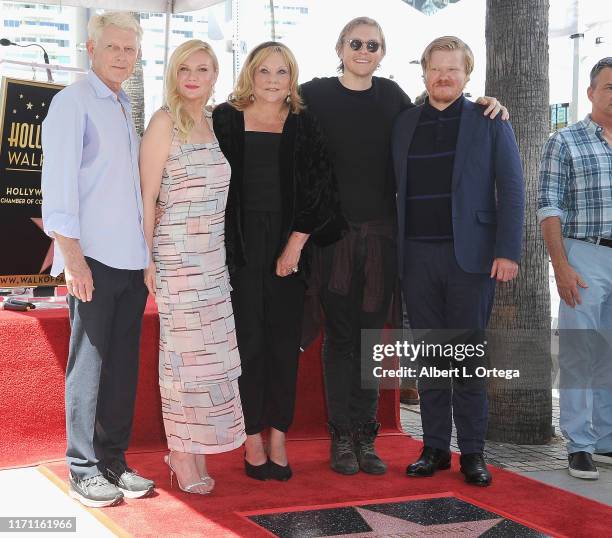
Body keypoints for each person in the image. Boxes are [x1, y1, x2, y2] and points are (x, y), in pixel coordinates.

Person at [299, 17, 507, 477]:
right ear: (340, 45)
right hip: (340, 242)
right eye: (355, 42)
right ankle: (350, 440)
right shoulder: (315, 95)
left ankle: (384, 440)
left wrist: (489, 103)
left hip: (390, 244)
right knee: (342, 341)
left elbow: (499, 178)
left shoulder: (396, 100)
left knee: (384, 344)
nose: (363, 50)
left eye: (373, 44)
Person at [393, 36, 525, 487]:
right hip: (415, 257)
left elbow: (511, 189)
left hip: (471, 259)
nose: (444, 76)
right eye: (436, 68)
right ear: (424, 71)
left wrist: (507, 250)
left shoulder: (490, 120)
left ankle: (472, 452)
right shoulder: (404, 123)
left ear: (468, 76)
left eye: (454, 69)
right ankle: (433, 448)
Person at [212, 41, 345, 481]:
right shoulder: (225, 119)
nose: (272, 80)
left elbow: (320, 191)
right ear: (251, 73)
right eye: (264, 71)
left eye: (282, 72)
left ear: (293, 78)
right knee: (248, 341)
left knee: (283, 344)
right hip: (239, 247)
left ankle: (279, 436)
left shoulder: (305, 124)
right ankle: (251, 437)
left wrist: (294, 246)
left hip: (290, 245)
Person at [41, 12, 154, 507]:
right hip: (93, 261)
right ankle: (82, 468)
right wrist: (74, 261)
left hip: (129, 261)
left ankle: (112, 459)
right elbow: (58, 191)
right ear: (92, 49)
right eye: (114, 47)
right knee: (88, 366)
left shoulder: (122, 104)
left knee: (123, 367)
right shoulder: (72, 103)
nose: (122, 57)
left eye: (130, 49)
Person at [140, 40, 246, 495]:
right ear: (173, 72)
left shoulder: (215, 121)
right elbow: (145, 196)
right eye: (184, 67)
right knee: (184, 361)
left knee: (212, 362)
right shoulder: (164, 120)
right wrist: (145, 259)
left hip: (213, 260)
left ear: (214, 75)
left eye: (202, 68)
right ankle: (181, 453)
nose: (193, 76)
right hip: (176, 257)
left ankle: (196, 444)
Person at [538, 57, 612, 481]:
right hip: (583, 254)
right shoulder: (565, 141)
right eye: (608, 87)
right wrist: (561, 265)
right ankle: (579, 444)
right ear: (590, 93)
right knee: (580, 352)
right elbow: (549, 207)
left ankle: (604, 440)